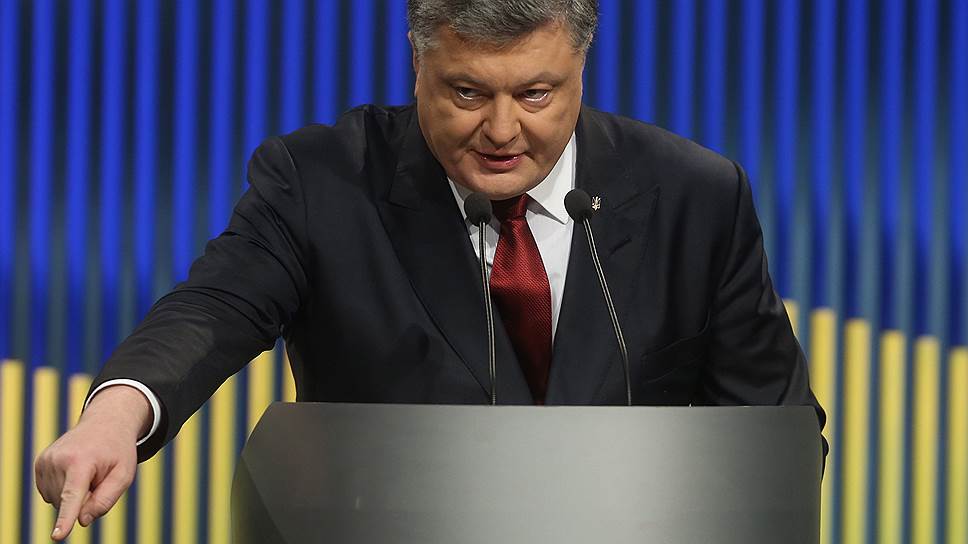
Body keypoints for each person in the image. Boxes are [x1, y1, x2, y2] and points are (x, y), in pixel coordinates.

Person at [35, 0, 826, 540]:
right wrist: (114, 419)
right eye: (467, 92)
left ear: (582, 65)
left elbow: (774, 433)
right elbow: (215, 307)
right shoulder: (324, 182)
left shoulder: (695, 196)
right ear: (418, 63)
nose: (503, 131)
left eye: (537, 94)